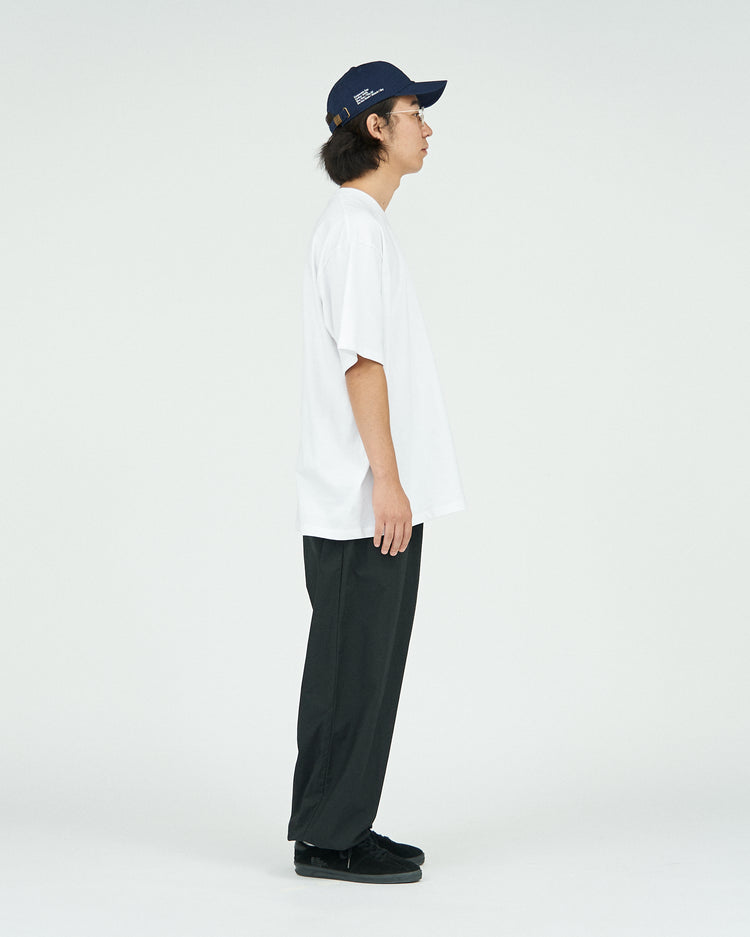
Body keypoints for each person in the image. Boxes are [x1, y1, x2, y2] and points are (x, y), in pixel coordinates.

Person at [288, 61, 466, 884]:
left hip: (363, 495)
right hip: (362, 499)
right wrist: (388, 482)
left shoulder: (358, 226)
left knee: (355, 667)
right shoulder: (356, 230)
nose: (427, 126)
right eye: (412, 112)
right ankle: (332, 837)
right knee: (353, 667)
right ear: (374, 127)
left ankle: (333, 823)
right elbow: (362, 362)